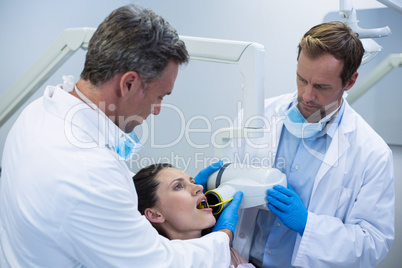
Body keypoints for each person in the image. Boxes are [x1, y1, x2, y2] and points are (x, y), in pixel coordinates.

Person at [0, 5, 243, 267]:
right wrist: (222, 237)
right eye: (159, 96)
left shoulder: (38, 113)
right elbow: (156, 262)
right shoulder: (87, 172)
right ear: (129, 84)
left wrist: (171, 186)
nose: (158, 110)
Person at [231, 21, 395, 268]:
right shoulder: (255, 117)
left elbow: (372, 243)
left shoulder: (372, 153)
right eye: (301, 79)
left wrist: (308, 224)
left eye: (321, 87)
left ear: (349, 82)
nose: (307, 96)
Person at [132, 163, 252, 268]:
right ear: (154, 215)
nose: (199, 187)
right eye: (178, 186)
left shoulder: (230, 254)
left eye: (192, 182)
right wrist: (224, 234)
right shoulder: (158, 262)